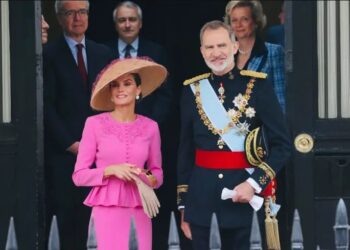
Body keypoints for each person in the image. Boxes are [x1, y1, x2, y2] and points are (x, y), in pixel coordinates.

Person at [176, 20, 291, 250]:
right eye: (209, 47)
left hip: (245, 201)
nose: (216, 53)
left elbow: (282, 146)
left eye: (222, 45)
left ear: (235, 46)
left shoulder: (258, 86)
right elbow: (185, 152)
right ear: (202, 51)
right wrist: (183, 205)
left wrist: (253, 183)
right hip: (202, 202)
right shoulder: (192, 91)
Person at [72, 58, 167, 250]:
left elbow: (157, 176)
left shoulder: (151, 127)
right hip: (105, 210)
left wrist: (141, 174)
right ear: (109, 92)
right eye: (114, 85)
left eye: (127, 83)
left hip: (139, 209)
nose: (120, 89)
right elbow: (79, 176)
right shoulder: (94, 124)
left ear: (138, 90)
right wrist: (110, 170)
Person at [43, 0, 112, 249]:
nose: (77, 18)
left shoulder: (102, 52)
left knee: (98, 220)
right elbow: (46, 108)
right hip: (65, 155)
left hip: (100, 154)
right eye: (70, 13)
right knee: (67, 223)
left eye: (82, 12)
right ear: (60, 18)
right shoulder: (48, 54)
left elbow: (110, 100)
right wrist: (72, 144)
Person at [105, 1, 173, 125]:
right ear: (115, 25)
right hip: (112, 125)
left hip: (148, 124)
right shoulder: (104, 52)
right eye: (122, 20)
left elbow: (165, 94)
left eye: (132, 19)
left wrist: (152, 122)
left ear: (140, 23)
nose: (127, 24)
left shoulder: (156, 52)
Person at [224, 0, 286, 112]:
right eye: (234, 20)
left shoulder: (273, 52)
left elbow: (281, 99)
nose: (238, 25)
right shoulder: (225, 55)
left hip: (263, 126)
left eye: (245, 19)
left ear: (256, 22)